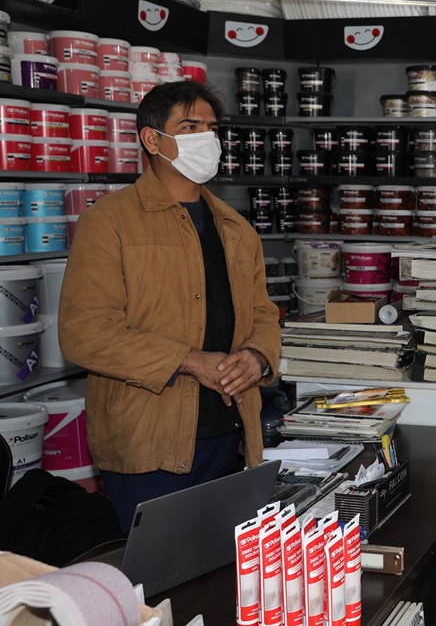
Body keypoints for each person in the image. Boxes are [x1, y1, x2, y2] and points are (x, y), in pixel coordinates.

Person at [59, 81, 281, 530]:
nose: (207, 139)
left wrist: (257, 356)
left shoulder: (236, 228)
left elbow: (263, 313)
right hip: (148, 442)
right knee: (160, 570)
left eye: (212, 129)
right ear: (152, 139)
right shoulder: (109, 222)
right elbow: (85, 332)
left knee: (225, 568)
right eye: (190, 126)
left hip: (231, 434)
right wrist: (190, 361)